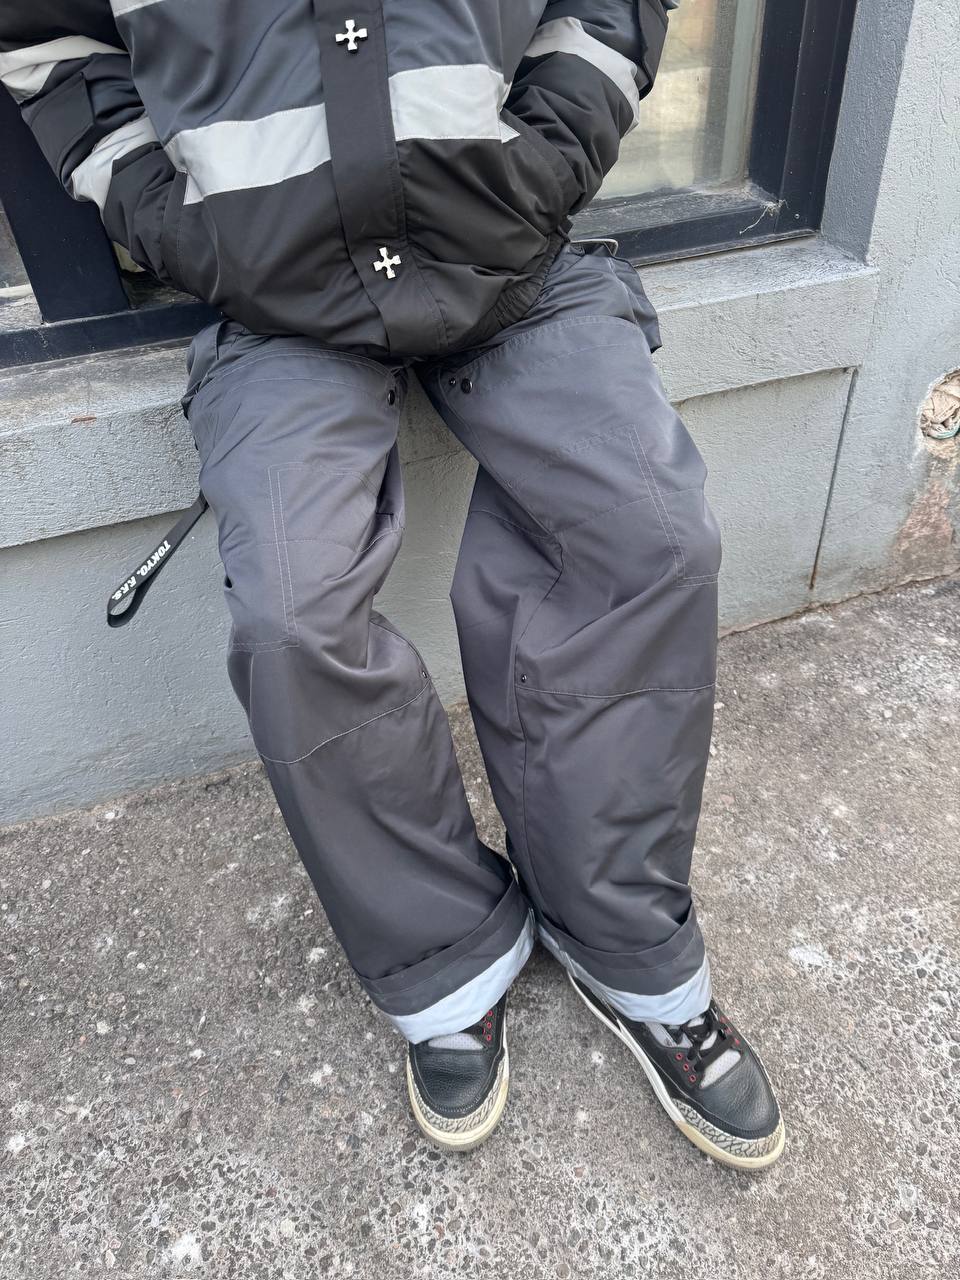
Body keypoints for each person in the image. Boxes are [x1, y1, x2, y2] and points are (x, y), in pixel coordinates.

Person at [2, 0, 783, 1168]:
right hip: (273, 298)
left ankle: (623, 936)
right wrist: (177, 218)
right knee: (292, 617)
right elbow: (42, 37)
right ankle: (443, 952)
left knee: (650, 536)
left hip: (510, 253)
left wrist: (544, 157)